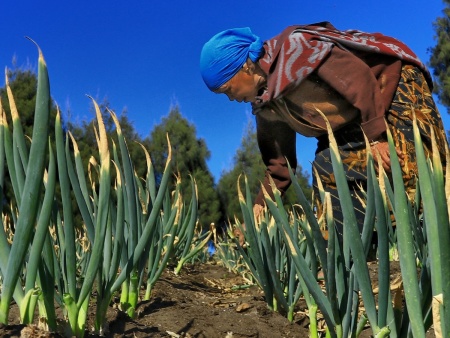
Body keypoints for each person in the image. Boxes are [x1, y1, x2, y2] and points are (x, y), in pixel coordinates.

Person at [199, 22, 448, 238]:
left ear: (245, 67)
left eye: (228, 90)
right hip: (347, 118)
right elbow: (280, 165)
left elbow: (359, 78)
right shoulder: (266, 105)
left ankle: (427, 250)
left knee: (411, 168)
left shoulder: (298, 49)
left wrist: (377, 138)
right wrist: (260, 206)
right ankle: (359, 258)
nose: (231, 99)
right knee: (328, 171)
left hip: (388, 88)